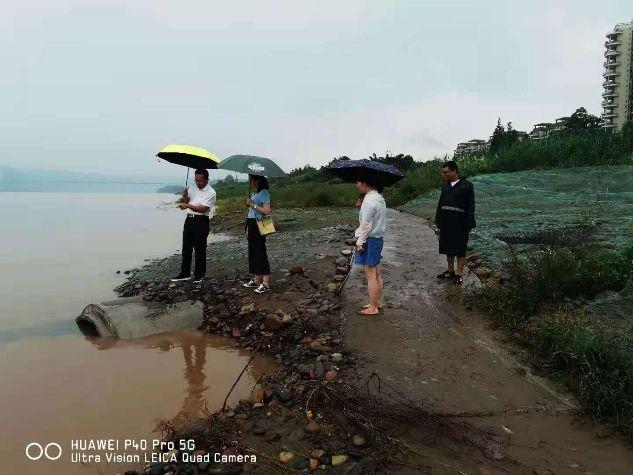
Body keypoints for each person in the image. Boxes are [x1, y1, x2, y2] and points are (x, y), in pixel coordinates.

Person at [171, 169, 216, 283]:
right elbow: (187, 200)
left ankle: (199, 275)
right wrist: (185, 196)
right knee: (186, 248)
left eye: (200, 181)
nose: (198, 183)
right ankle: (184, 273)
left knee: (200, 249)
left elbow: (203, 209)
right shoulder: (192, 188)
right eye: (196, 180)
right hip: (189, 220)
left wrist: (187, 205)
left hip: (201, 221)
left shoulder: (211, 192)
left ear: (206, 179)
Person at [434, 161, 476, 285]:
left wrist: (469, 223)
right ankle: (450, 271)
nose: (444, 174)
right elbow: (440, 203)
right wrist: (438, 220)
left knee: (460, 249)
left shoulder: (467, 185)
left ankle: (459, 274)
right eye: (443, 172)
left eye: (446, 172)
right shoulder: (445, 186)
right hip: (446, 221)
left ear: (454, 171)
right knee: (448, 247)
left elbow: (471, 205)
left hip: (460, 222)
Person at [354, 174, 387, 315]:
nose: (357, 185)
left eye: (358, 182)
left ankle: (373, 308)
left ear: (365, 183)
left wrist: (360, 242)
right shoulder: (379, 198)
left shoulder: (369, 201)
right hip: (377, 238)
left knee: (370, 275)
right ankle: (377, 302)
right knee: (377, 274)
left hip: (370, 239)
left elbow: (366, 226)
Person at [242, 174, 272, 294]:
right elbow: (251, 212)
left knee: (260, 252)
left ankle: (265, 283)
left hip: (259, 224)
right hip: (251, 224)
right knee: (253, 252)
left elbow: (267, 211)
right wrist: (248, 230)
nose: (248, 181)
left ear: (257, 180)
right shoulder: (255, 194)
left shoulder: (264, 193)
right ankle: (257, 279)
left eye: (250, 179)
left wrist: (253, 204)